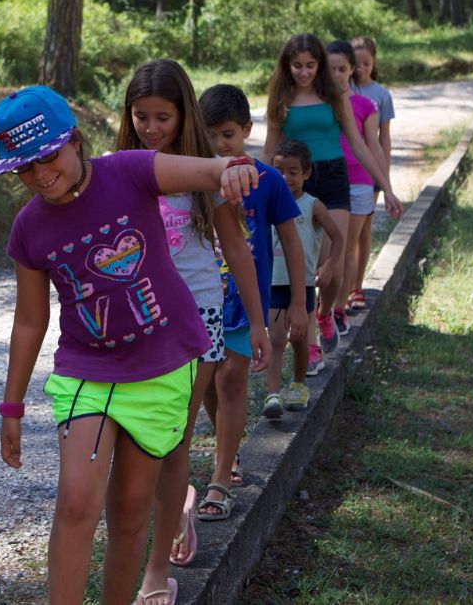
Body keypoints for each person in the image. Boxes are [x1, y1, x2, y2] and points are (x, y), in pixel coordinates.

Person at [0, 85, 261, 605]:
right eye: (24, 169)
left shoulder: (128, 171)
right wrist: (12, 404)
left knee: (133, 510)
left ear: (74, 141)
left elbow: (205, 170)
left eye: (48, 157)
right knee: (75, 502)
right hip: (86, 376)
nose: (41, 175)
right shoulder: (29, 228)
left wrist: (229, 169)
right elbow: (29, 322)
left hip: (163, 367)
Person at [116, 60, 271, 602]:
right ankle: (177, 501)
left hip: (199, 319)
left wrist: (256, 322)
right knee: (141, 444)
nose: (152, 127)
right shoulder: (123, 170)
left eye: (163, 116)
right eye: (141, 116)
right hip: (140, 322)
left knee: (173, 438)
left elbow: (237, 252)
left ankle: (156, 573)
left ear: (184, 115)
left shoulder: (206, 173)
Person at [198, 83, 307, 518]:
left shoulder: (268, 181)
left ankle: (220, 479)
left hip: (246, 303)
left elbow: (292, 244)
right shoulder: (194, 180)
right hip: (202, 302)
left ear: (246, 129)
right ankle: (229, 451)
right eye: (210, 136)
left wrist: (298, 303)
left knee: (231, 381)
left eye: (227, 134)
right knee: (205, 381)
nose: (219, 145)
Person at [259, 34, 401, 358]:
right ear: (287, 66)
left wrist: (386, 186)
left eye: (311, 65)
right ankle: (310, 345)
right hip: (297, 184)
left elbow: (360, 144)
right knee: (308, 268)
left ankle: (325, 314)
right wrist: (254, 188)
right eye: (297, 66)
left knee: (332, 268)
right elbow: (269, 148)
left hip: (335, 178)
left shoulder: (334, 95)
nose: (304, 72)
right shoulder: (281, 99)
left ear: (319, 65)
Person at [264, 139, 343, 417]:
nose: (285, 178)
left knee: (298, 339)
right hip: (273, 282)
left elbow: (338, 237)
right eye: (279, 171)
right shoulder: (268, 203)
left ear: (306, 173)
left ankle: (298, 384)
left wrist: (330, 264)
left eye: (293, 172)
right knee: (275, 338)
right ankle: (272, 394)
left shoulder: (313, 206)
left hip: (304, 284)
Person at [327, 39, 381, 336]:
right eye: (331, 69)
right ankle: (324, 308)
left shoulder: (365, 105)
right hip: (326, 181)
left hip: (359, 182)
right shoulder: (319, 103)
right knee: (325, 251)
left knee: (346, 247)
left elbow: (371, 145)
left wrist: (383, 183)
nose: (337, 75)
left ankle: (338, 308)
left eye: (342, 69)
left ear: (351, 71)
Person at [348, 35, 397, 312]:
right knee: (345, 233)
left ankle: (357, 287)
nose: (361, 68)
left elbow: (384, 138)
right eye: (356, 63)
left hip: (372, 171)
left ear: (374, 63)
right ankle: (340, 286)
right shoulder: (341, 90)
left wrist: (384, 174)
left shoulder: (381, 95)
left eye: (366, 63)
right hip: (345, 171)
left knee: (364, 229)